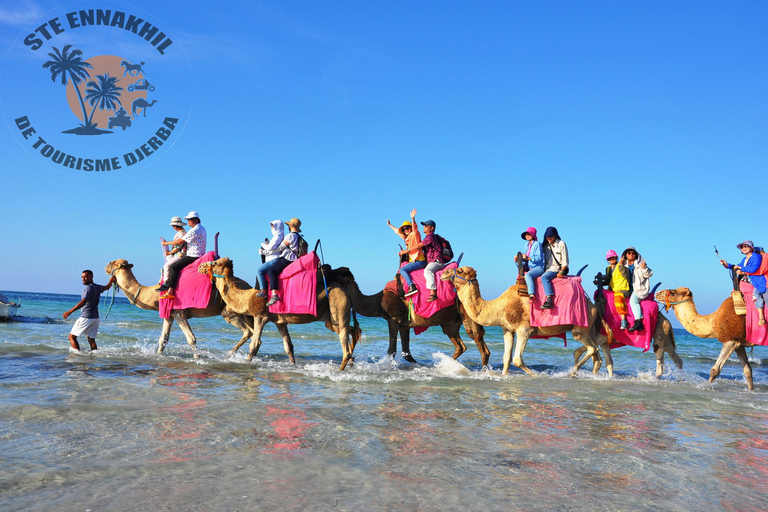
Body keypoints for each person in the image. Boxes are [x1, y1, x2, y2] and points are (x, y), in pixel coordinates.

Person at [63, 270, 116, 352]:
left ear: (91, 277)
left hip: (86, 317)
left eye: (86, 277)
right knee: (91, 340)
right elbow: (107, 287)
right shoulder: (97, 287)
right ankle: (94, 357)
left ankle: (77, 356)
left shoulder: (88, 288)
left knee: (71, 337)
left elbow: (83, 302)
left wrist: (69, 312)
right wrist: (111, 281)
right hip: (95, 319)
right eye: (82, 277)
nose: (83, 279)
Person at [157, 211, 207, 298]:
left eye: (189, 219)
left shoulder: (194, 230)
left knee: (172, 267)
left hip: (193, 255)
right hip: (198, 254)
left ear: (196, 220)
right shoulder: (202, 228)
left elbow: (180, 242)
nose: (188, 222)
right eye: (188, 220)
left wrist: (166, 243)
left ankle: (170, 290)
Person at [256, 217, 303, 306]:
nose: (288, 227)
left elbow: (279, 248)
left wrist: (264, 252)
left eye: (289, 225)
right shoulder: (298, 236)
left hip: (288, 258)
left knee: (271, 271)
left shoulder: (290, 236)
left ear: (292, 226)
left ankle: (274, 294)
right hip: (293, 258)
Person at [721, 240, 766, 326]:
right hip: (747, 281)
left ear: (751, 247)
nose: (744, 248)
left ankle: (761, 317)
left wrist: (742, 269)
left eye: (746, 246)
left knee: (756, 295)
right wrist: (726, 265)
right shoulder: (745, 259)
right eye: (742, 247)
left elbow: (754, 268)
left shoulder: (756, 257)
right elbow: (736, 266)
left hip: (756, 281)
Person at [387, 209, 426, 298]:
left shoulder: (415, 234)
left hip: (419, 261)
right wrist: (390, 225)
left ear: (411, 228)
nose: (406, 230)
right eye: (404, 229)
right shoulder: (407, 238)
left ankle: (411, 286)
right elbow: (397, 231)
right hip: (413, 261)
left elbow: (415, 227)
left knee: (402, 270)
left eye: (407, 228)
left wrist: (413, 219)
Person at [407, 219, 444, 302]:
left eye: (426, 225)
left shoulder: (431, 237)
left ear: (432, 228)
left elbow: (418, 246)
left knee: (427, 270)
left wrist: (406, 251)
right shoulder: (427, 237)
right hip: (431, 262)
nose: (424, 227)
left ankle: (433, 293)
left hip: (436, 261)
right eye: (424, 225)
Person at [622, 246, 653, 332]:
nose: (631, 255)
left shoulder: (640, 264)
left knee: (633, 300)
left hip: (639, 289)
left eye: (633, 253)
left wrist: (643, 268)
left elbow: (649, 274)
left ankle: (638, 322)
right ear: (626, 254)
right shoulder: (623, 264)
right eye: (629, 253)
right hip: (627, 288)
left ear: (636, 255)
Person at [540, 226, 568, 310]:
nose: (549, 238)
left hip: (557, 269)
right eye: (547, 236)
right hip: (546, 268)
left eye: (551, 236)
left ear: (555, 235)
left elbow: (565, 261)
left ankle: (549, 300)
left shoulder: (561, 244)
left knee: (544, 277)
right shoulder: (545, 246)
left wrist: (561, 272)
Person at [158, 216, 187, 297]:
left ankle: (166, 283)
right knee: (167, 260)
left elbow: (178, 246)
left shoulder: (182, 234)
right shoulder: (180, 233)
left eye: (173, 226)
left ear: (176, 225)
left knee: (167, 265)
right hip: (176, 254)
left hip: (180, 255)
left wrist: (170, 252)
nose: (173, 227)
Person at [514, 227, 544, 303]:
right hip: (529, 267)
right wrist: (518, 257)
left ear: (533, 235)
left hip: (538, 267)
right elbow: (525, 256)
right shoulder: (527, 245)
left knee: (528, 275)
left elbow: (539, 258)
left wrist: (529, 258)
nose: (527, 235)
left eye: (529, 234)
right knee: (520, 275)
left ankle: (532, 295)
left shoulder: (537, 244)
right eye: (526, 234)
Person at [603, 249, 631, 329]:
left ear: (616, 257)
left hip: (623, 289)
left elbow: (625, 275)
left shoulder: (621, 265)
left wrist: (621, 265)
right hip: (613, 289)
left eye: (613, 257)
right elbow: (608, 280)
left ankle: (623, 320)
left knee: (618, 298)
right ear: (608, 260)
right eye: (610, 258)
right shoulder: (608, 269)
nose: (612, 259)